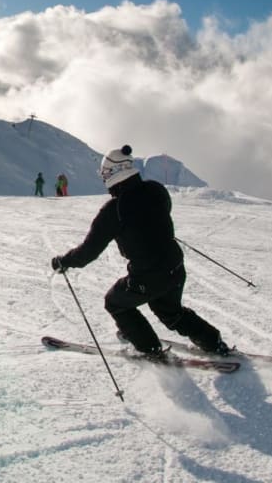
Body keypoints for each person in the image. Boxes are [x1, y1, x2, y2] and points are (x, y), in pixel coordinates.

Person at [50, 144, 231, 358]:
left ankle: (150, 349)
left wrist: (64, 261)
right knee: (170, 312)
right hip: (174, 266)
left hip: (148, 275)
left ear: (114, 173)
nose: (104, 179)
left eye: (105, 173)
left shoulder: (113, 210)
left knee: (115, 303)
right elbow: (159, 214)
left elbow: (88, 252)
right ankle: (213, 342)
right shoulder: (156, 189)